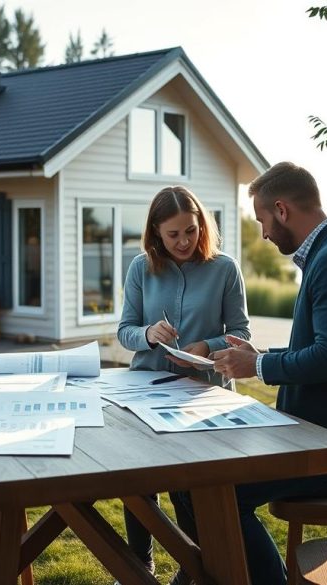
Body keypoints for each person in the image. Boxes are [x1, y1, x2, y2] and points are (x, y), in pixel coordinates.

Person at [175, 162, 327, 585]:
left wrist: (258, 366)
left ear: (282, 209)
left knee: (210, 491)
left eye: (262, 221)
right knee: (189, 482)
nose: (264, 233)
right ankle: (205, 575)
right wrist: (262, 354)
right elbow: (324, 347)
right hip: (311, 436)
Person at [117, 185, 251, 582]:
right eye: (173, 234)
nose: (183, 242)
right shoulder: (141, 268)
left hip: (203, 394)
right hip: (146, 388)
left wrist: (206, 347)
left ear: (201, 226)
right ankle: (141, 562)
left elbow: (241, 331)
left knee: (191, 485)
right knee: (140, 478)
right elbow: (124, 331)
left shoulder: (224, 268)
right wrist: (148, 335)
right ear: (156, 232)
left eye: (190, 231)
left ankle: (194, 565)